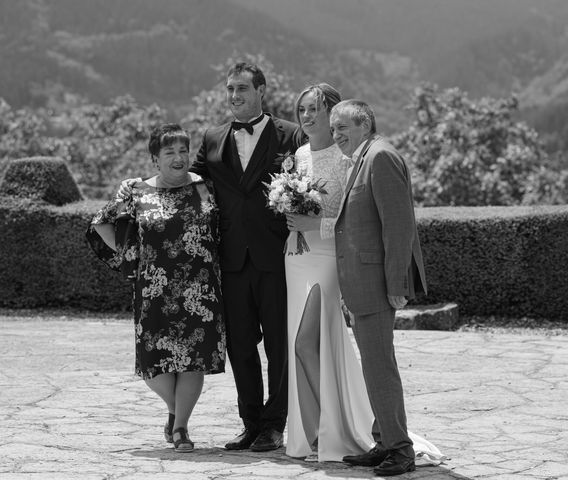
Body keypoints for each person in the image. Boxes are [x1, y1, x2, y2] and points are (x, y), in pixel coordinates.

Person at [86, 123, 226, 453]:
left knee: (193, 361)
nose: (178, 158)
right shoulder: (135, 191)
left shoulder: (206, 187)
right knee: (154, 367)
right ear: (154, 159)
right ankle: (175, 409)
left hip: (200, 289)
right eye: (169, 152)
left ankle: (180, 428)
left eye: (183, 151)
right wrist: (129, 257)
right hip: (154, 291)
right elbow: (101, 223)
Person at [189, 62, 306, 452]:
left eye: (242, 88)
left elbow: (309, 185)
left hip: (277, 258)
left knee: (277, 345)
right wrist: (146, 186)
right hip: (231, 260)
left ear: (261, 91)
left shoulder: (291, 135)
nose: (234, 96)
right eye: (229, 89)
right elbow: (191, 182)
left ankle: (275, 425)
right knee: (240, 346)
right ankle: (251, 422)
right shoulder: (211, 137)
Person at [329, 100, 445, 476]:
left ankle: (400, 449)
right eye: (333, 129)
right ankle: (383, 440)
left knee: (380, 367)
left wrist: (397, 284)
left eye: (343, 127)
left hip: (377, 285)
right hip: (363, 284)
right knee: (375, 366)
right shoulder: (363, 158)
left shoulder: (380, 157)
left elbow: (399, 227)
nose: (336, 135)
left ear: (365, 125)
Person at [283, 84, 374, 462]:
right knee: (300, 344)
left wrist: (312, 224)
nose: (306, 117)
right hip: (294, 254)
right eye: (302, 109)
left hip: (326, 255)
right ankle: (314, 430)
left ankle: (336, 426)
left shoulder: (346, 157)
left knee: (307, 342)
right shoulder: (299, 155)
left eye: (314, 110)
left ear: (332, 115)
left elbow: (351, 220)